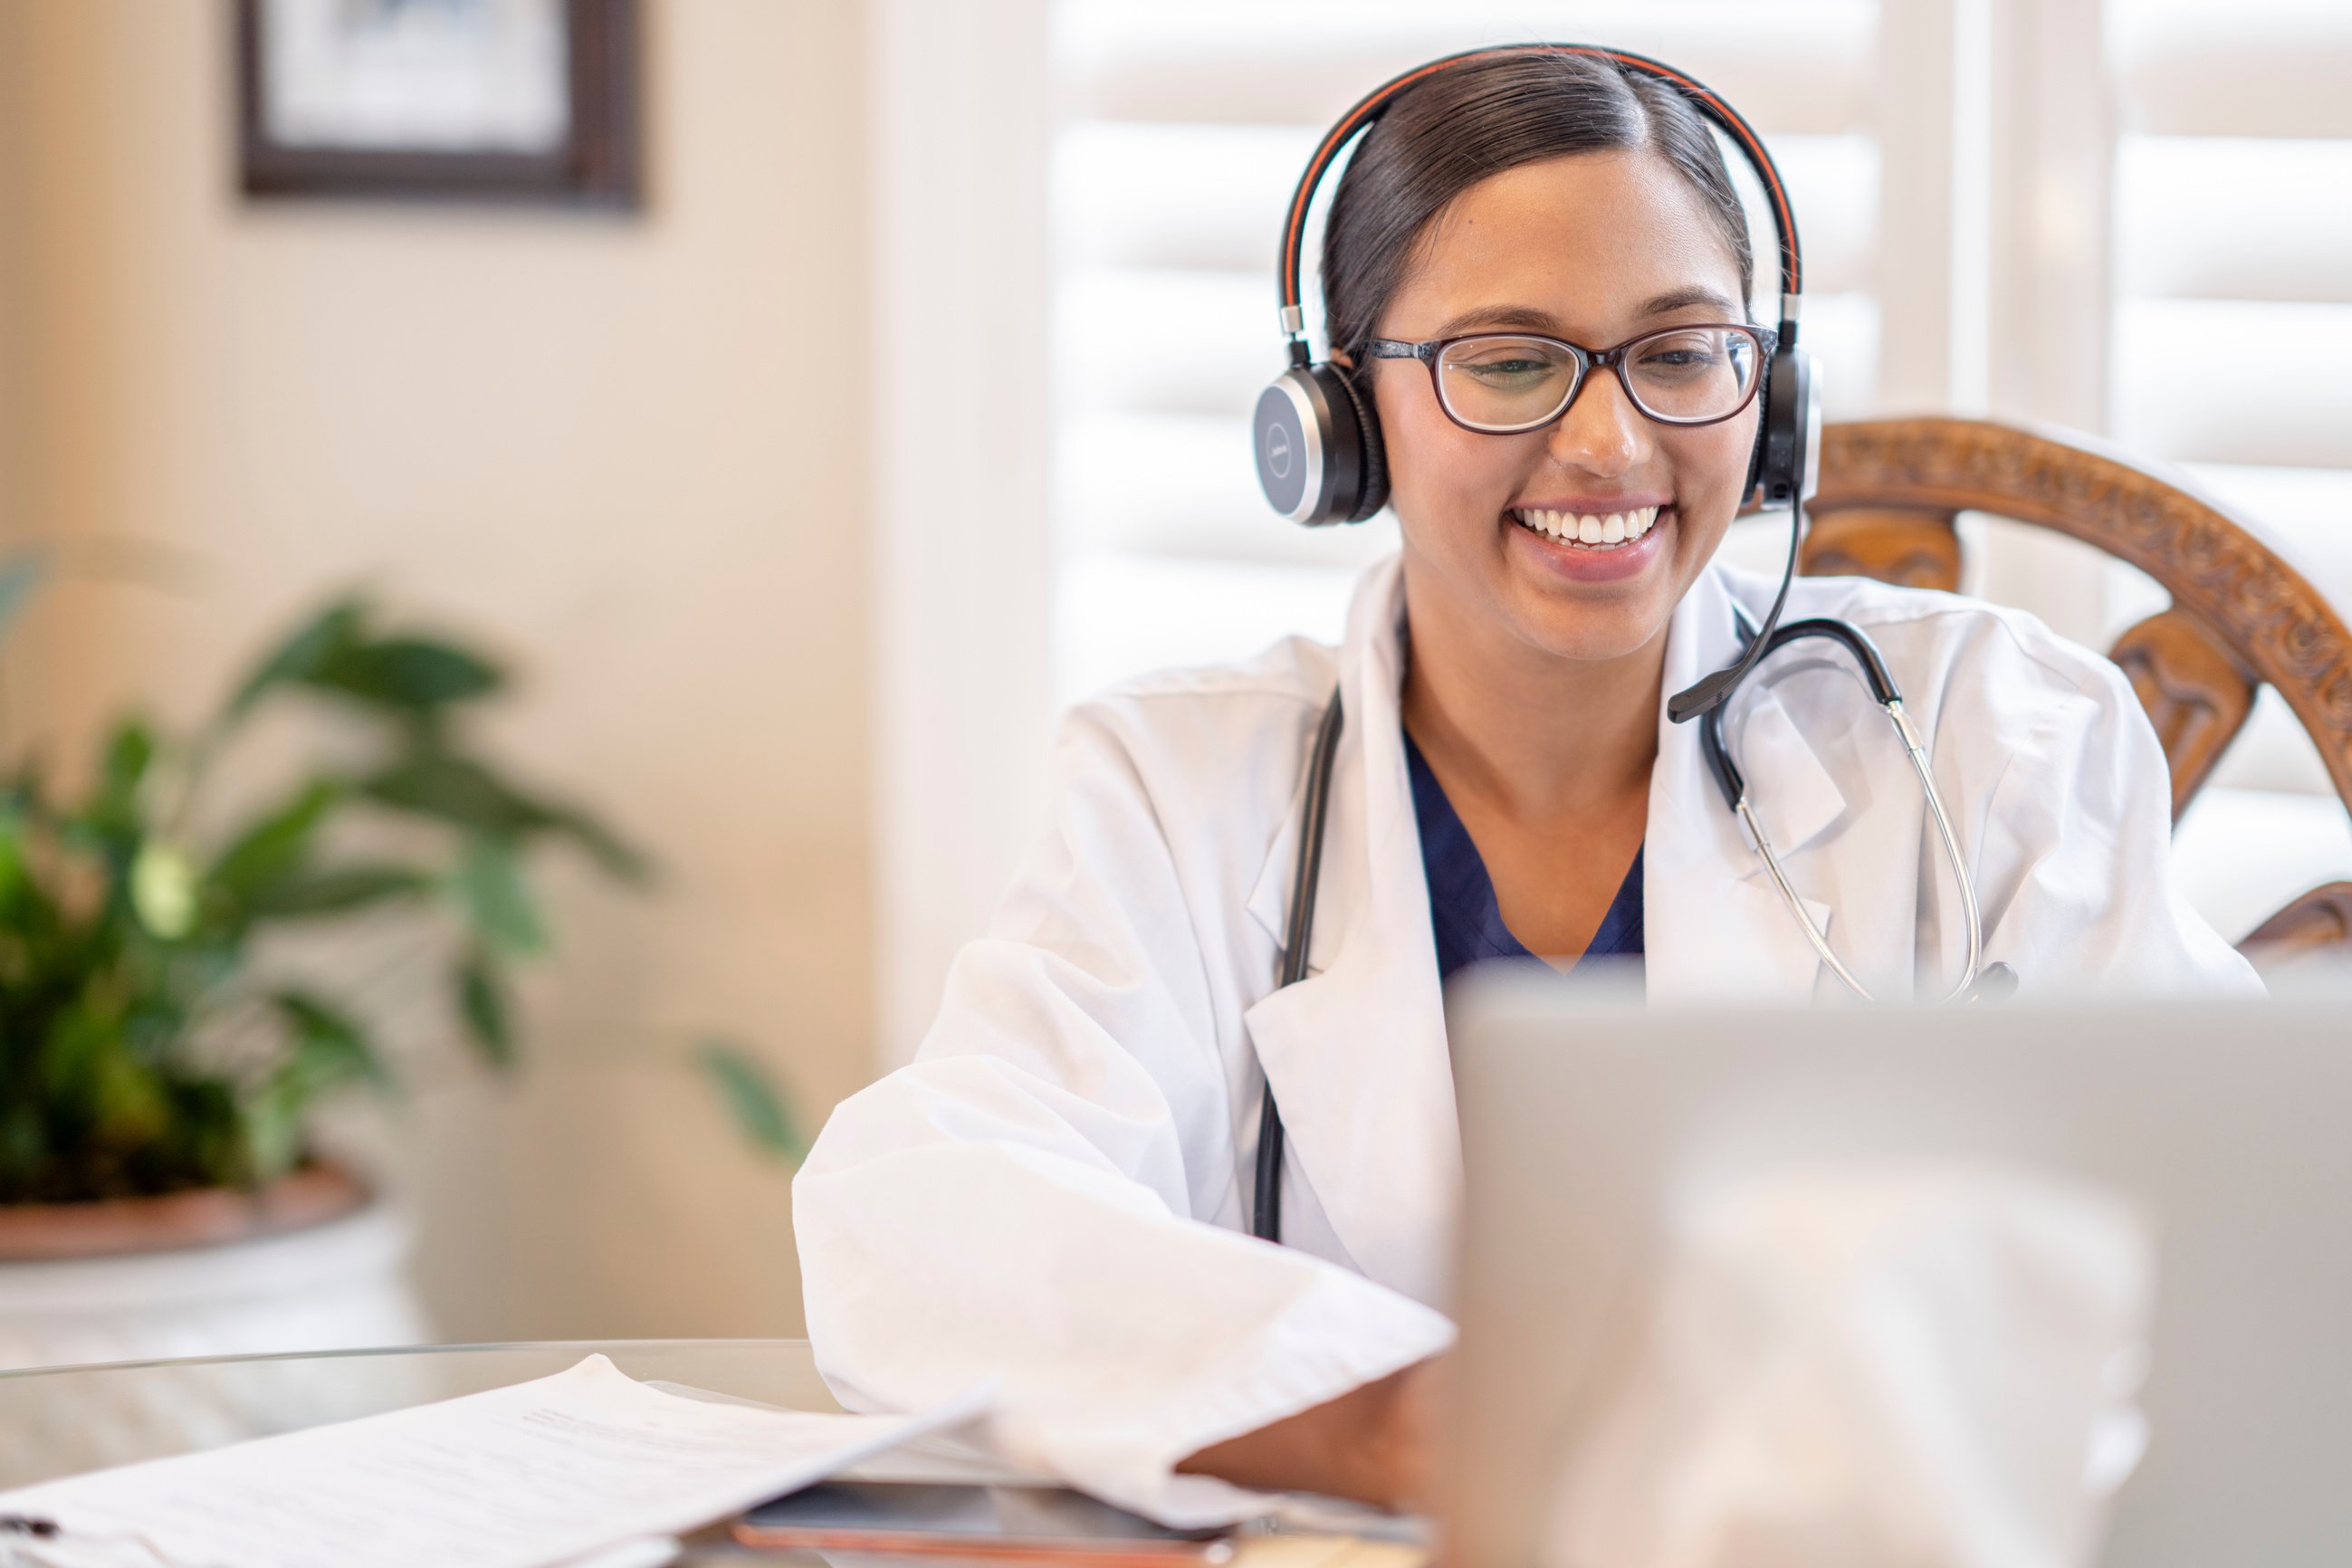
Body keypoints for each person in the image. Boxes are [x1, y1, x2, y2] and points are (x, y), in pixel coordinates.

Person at [793, 50, 2259, 1525]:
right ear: (1338, 417)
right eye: (1506, 361)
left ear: (1774, 395)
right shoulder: (1178, 785)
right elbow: (918, 1216)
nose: (1609, 443)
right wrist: (1389, 1418)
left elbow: (2226, 1240)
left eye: (1681, 354)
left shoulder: (1996, 735)